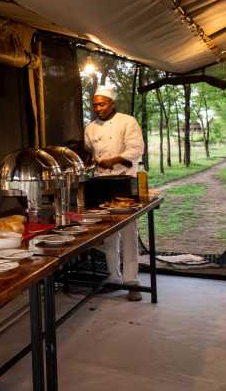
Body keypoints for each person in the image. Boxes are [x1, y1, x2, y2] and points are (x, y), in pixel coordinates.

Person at [84, 85, 145, 301]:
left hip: (125, 180)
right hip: (102, 181)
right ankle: (114, 278)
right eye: (95, 105)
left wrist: (115, 159)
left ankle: (132, 281)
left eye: (102, 104)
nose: (98, 108)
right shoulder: (90, 128)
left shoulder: (128, 122)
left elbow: (136, 149)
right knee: (109, 232)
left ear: (112, 103)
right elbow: (90, 153)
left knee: (128, 231)